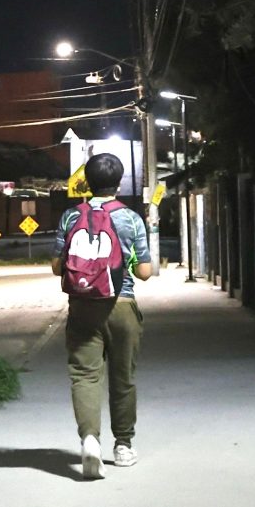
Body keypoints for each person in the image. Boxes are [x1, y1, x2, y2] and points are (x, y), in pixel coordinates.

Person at [51, 152, 152, 480]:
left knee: (84, 375)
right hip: (121, 305)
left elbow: (56, 267)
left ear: (87, 182)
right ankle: (123, 446)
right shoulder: (130, 219)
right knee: (123, 378)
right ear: (119, 183)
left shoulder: (70, 216)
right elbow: (145, 272)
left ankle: (90, 440)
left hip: (83, 307)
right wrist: (130, 260)